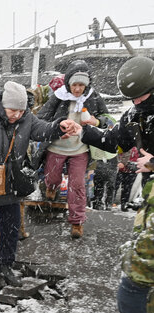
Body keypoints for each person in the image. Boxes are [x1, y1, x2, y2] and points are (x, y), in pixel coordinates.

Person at [0, 81, 77, 284]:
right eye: (12, 110)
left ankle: (5, 266)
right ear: (2, 104)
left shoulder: (26, 117)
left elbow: (42, 130)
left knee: (11, 229)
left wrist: (58, 126)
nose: (17, 115)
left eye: (21, 111)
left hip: (10, 184)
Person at [66, 56, 154, 313]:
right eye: (132, 98)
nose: (136, 102)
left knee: (137, 278)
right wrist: (82, 131)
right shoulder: (136, 114)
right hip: (149, 196)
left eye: (141, 97)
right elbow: (113, 141)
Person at [37, 59, 109, 239]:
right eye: (74, 85)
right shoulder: (58, 96)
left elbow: (108, 119)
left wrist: (96, 121)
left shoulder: (93, 96)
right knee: (52, 176)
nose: (78, 89)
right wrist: (57, 127)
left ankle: (77, 221)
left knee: (77, 184)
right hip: (56, 146)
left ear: (87, 85)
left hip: (80, 149)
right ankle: (50, 187)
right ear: (68, 83)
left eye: (81, 85)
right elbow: (40, 118)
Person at [91, 115, 118, 211]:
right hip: (99, 159)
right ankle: (98, 203)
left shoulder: (113, 131)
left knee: (111, 184)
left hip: (112, 159)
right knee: (99, 183)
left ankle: (108, 203)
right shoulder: (95, 132)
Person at [114, 147, 139, 211]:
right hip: (124, 170)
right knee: (118, 187)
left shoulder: (133, 149)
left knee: (125, 188)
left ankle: (123, 204)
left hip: (130, 171)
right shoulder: (121, 146)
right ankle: (121, 204)